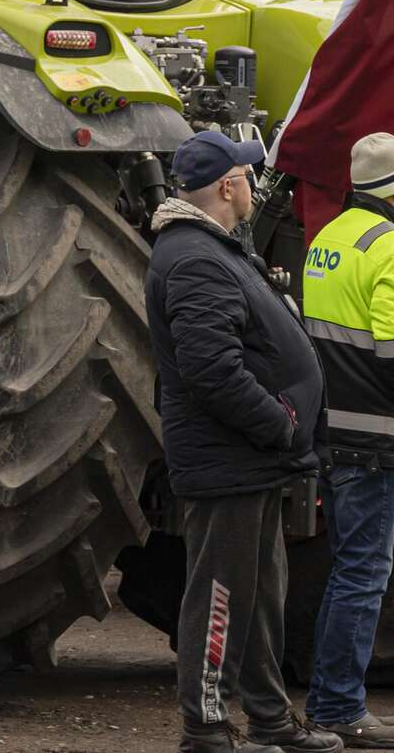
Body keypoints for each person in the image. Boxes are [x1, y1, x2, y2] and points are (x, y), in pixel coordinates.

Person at [146, 131, 343, 753]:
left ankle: (270, 718)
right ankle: (205, 727)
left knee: (261, 594)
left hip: (252, 460)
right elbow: (211, 369)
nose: (259, 187)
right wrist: (281, 421)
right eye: (251, 177)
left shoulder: (217, 250)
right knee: (222, 595)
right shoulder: (197, 259)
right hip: (229, 457)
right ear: (229, 186)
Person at [303, 134, 394, 749]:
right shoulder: (393, 245)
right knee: (363, 574)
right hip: (379, 437)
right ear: (390, 189)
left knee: (345, 570)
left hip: (334, 429)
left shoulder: (328, 238)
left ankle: (331, 701)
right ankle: (338, 708)